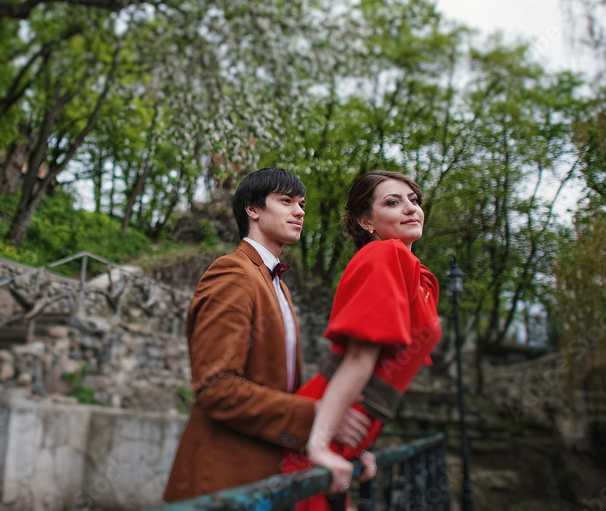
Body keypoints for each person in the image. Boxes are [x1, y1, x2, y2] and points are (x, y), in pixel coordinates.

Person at [163, 168, 373, 501]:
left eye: (302, 203)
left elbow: (282, 390)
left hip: (267, 478)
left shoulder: (278, 286)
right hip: (223, 480)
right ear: (253, 209)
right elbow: (214, 386)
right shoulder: (232, 272)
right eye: (286, 201)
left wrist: (333, 439)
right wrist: (316, 416)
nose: (300, 211)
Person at [281, 169, 442, 511]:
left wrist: (358, 450)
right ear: (366, 220)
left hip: (351, 430)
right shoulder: (384, 255)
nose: (411, 208)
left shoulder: (417, 273)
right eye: (393, 202)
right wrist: (320, 445)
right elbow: (359, 358)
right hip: (328, 423)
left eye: (414, 200)